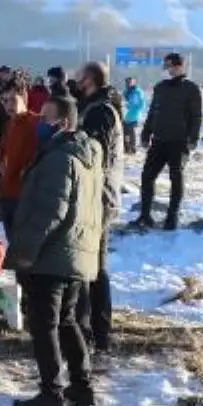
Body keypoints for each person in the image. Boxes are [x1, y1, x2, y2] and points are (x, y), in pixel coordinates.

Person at [7, 96, 104, 406]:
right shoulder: (87, 156)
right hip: (77, 254)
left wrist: (23, 252)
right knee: (68, 320)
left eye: (44, 118)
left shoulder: (59, 159)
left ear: (62, 123)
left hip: (53, 255)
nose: (38, 123)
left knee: (45, 324)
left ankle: (51, 393)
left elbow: (51, 211)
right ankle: (82, 385)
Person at [76, 62, 123, 354]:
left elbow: (95, 157)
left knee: (95, 266)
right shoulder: (94, 107)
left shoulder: (101, 111)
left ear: (89, 80)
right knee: (90, 264)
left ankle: (99, 331)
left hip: (99, 197)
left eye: (79, 77)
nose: (74, 81)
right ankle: (91, 327)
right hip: (96, 195)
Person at [136, 53, 202, 231]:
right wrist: (145, 134)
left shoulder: (192, 89)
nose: (167, 70)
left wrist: (193, 139)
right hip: (158, 140)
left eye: (169, 66)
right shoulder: (160, 87)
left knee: (176, 177)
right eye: (166, 67)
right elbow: (153, 112)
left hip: (179, 142)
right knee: (147, 176)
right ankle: (144, 214)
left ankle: (172, 217)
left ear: (179, 66)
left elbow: (196, 117)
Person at [0, 80, 41, 240]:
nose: (7, 105)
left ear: (24, 97)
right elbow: (2, 157)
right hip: (7, 195)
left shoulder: (37, 123)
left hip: (27, 197)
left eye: (12, 99)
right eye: (4, 100)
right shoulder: (8, 125)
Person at [122, 77, 145, 155]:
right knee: (126, 133)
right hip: (126, 116)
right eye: (127, 82)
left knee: (133, 133)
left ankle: (133, 148)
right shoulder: (125, 92)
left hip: (134, 116)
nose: (129, 83)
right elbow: (123, 102)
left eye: (130, 82)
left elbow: (142, 104)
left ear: (134, 82)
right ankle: (126, 148)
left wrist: (137, 110)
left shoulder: (138, 92)